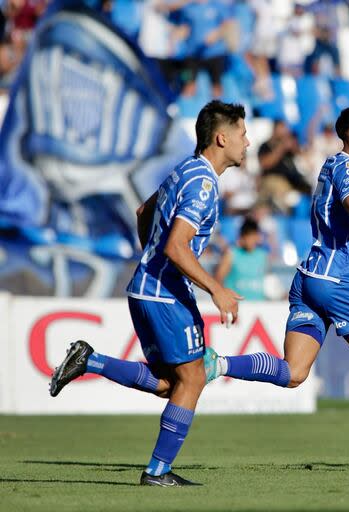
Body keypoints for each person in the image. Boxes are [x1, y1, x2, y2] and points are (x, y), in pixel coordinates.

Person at [205, 106, 349, 472]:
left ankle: (218, 364)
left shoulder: (332, 164)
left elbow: (333, 225)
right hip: (333, 281)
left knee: (294, 372)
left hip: (310, 275)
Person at [48, 100, 249, 486]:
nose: (248, 142)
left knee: (170, 384)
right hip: (164, 293)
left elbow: (143, 211)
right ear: (222, 138)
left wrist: (150, 263)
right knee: (192, 379)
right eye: (242, 134)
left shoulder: (184, 170)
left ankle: (90, 361)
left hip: (145, 288)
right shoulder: (204, 184)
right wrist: (216, 288)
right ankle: (157, 472)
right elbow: (176, 247)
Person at [215, 217, 270, 301]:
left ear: (257, 236)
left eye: (253, 236)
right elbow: (218, 279)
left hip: (259, 306)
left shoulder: (263, 256)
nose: (250, 240)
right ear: (242, 237)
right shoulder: (231, 254)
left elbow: (267, 282)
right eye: (248, 236)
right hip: (237, 306)